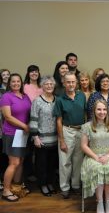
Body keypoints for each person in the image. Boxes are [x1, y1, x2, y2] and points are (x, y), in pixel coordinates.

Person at [81, 99, 109, 213]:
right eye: (99, 109)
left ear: (107, 111)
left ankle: (108, 202)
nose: (101, 112)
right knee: (98, 169)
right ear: (94, 111)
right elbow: (84, 145)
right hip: (93, 156)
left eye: (104, 109)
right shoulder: (87, 126)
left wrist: (108, 156)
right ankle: (99, 202)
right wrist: (95, 157)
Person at [53, 71, 86, 199]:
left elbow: (85, 114)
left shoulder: (81, 96)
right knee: (65, 161)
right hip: (67, 130)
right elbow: (59, 121)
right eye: (68, 82)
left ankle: (76, 185)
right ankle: (65, 187)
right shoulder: (60, 99)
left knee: (78, 161)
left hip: (81, 130)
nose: (71, 84)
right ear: (64, 83)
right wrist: (61, 140)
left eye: (73, 81)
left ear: (76, 82)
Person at [0, 73, 31, 202]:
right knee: (14, 162)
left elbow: (30, 113)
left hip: (23, 134)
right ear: (9, 83)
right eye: (13, 81)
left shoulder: (25, 96)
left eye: (18, 81)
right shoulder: (6, 97)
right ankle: (6, 191)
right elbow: (8, 117)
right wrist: (24, 126)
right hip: (12, 133)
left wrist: (28, 126)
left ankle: (16, 187)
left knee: (21, 161)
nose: (16, 83)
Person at [29, 76, 58, 197]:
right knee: (42, 165)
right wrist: (35, 137)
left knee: (52, 164)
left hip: (55, 139)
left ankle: (50, 183)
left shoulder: (58, 100)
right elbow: (33, 120)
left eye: (51, 84)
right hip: (41, 139)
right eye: (46, 84)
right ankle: (43, 185)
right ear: (42, 86)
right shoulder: (37, 101)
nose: (49, 86)